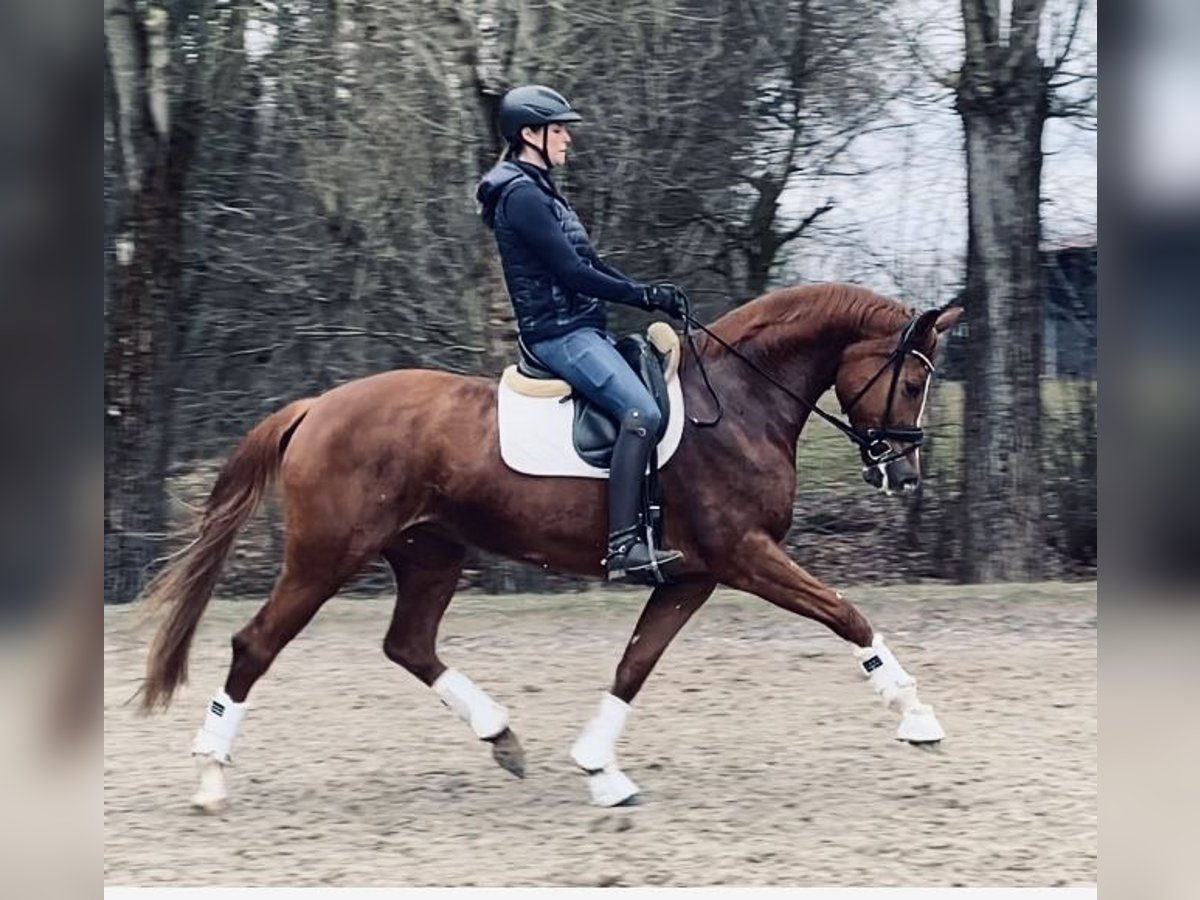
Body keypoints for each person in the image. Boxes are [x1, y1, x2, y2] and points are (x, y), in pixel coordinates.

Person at [476, 84, 686, 584]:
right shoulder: (522, 196)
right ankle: (624, 548)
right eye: (559, 129)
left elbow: (589, 262)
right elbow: (573, 274)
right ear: (529, 134)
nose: (568, 138)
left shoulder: (543, 190)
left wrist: (649, 291)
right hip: (559, 334)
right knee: (643, 413)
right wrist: (644, 298)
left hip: (582, 327)